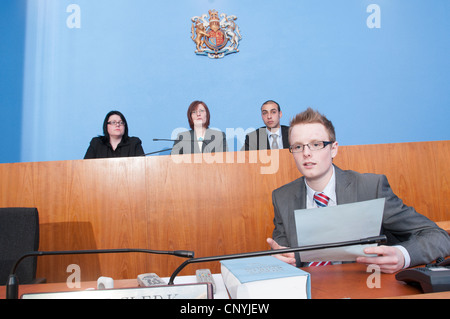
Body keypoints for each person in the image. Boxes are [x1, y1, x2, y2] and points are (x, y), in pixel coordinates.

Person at [267, 107, 450, 273]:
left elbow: (438, 236)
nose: (306, 153)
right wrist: (281, 259)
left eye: (316, 144)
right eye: (298, 146)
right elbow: (283, 252)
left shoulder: (371, 188)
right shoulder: (282, 197)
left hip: (365, 286)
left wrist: (402, 256)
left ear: (333, 149)